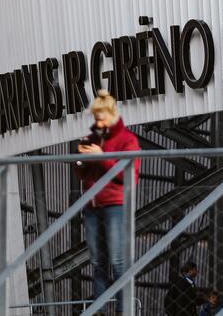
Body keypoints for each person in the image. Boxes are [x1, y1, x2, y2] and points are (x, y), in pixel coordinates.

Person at [75, 90, 141, 311]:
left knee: (117, 261)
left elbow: (128, 175)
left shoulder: (128, 140)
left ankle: (125, 312)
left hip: (115, 205)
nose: (98, 123)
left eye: (101, 118)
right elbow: (84, 176)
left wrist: (102, 157)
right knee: (97, 264)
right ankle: (100, 312)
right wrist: (81, 161)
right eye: (96, 119)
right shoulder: (93, 139)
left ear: (113, 116)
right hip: (93, 206)